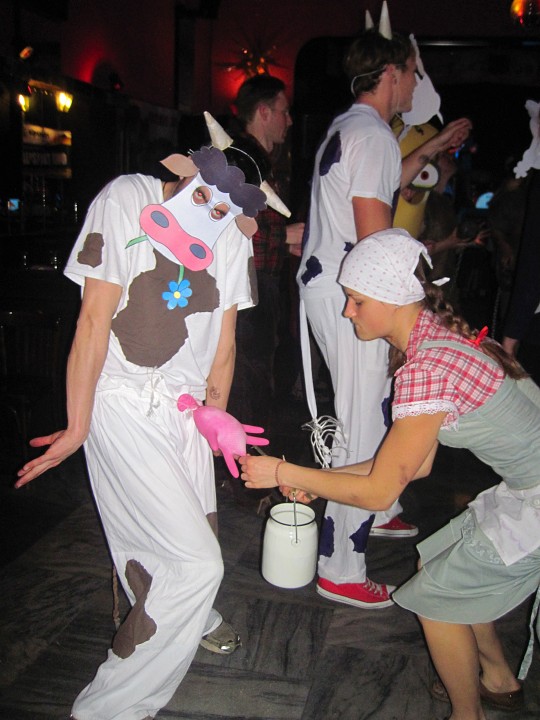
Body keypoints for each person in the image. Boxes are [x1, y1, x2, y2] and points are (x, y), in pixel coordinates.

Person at [14, 132, 287, 719]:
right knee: (196, 564)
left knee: (193, 531)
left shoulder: (232, 232)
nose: (212, 210)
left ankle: (192, 615)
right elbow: (94, 320)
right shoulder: (125, 199)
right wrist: (79, 425)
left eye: (227, 207)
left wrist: (215, 415)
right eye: (205, 193)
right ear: (189, 167)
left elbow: (224, 342)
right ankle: (108, 707)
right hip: (121, 397)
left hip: (184, 409)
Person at [241, 228, 540, 720]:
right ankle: (498, 681)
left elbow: (381, 492)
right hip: (528, 489)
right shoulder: (440, 342)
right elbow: (412, 466)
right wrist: (312, 479)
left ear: (394, 297)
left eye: (357, 300)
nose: (347, 312)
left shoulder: (426, 369)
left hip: (535, 502)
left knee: (436, 601)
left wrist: (283, 471)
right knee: (437, 567)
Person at [297, 24, 472, 608]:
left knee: (366, 410)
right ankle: (340, 566)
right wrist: (416, 304)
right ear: (392, 73)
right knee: (363, 422)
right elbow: (375, 244)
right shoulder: (372, 135)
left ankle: (382, 504)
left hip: (332, 288)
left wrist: (431, 146)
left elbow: (378, 185)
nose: (415, 85)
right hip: (354, 297)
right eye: (412, 74)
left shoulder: (351, 127)